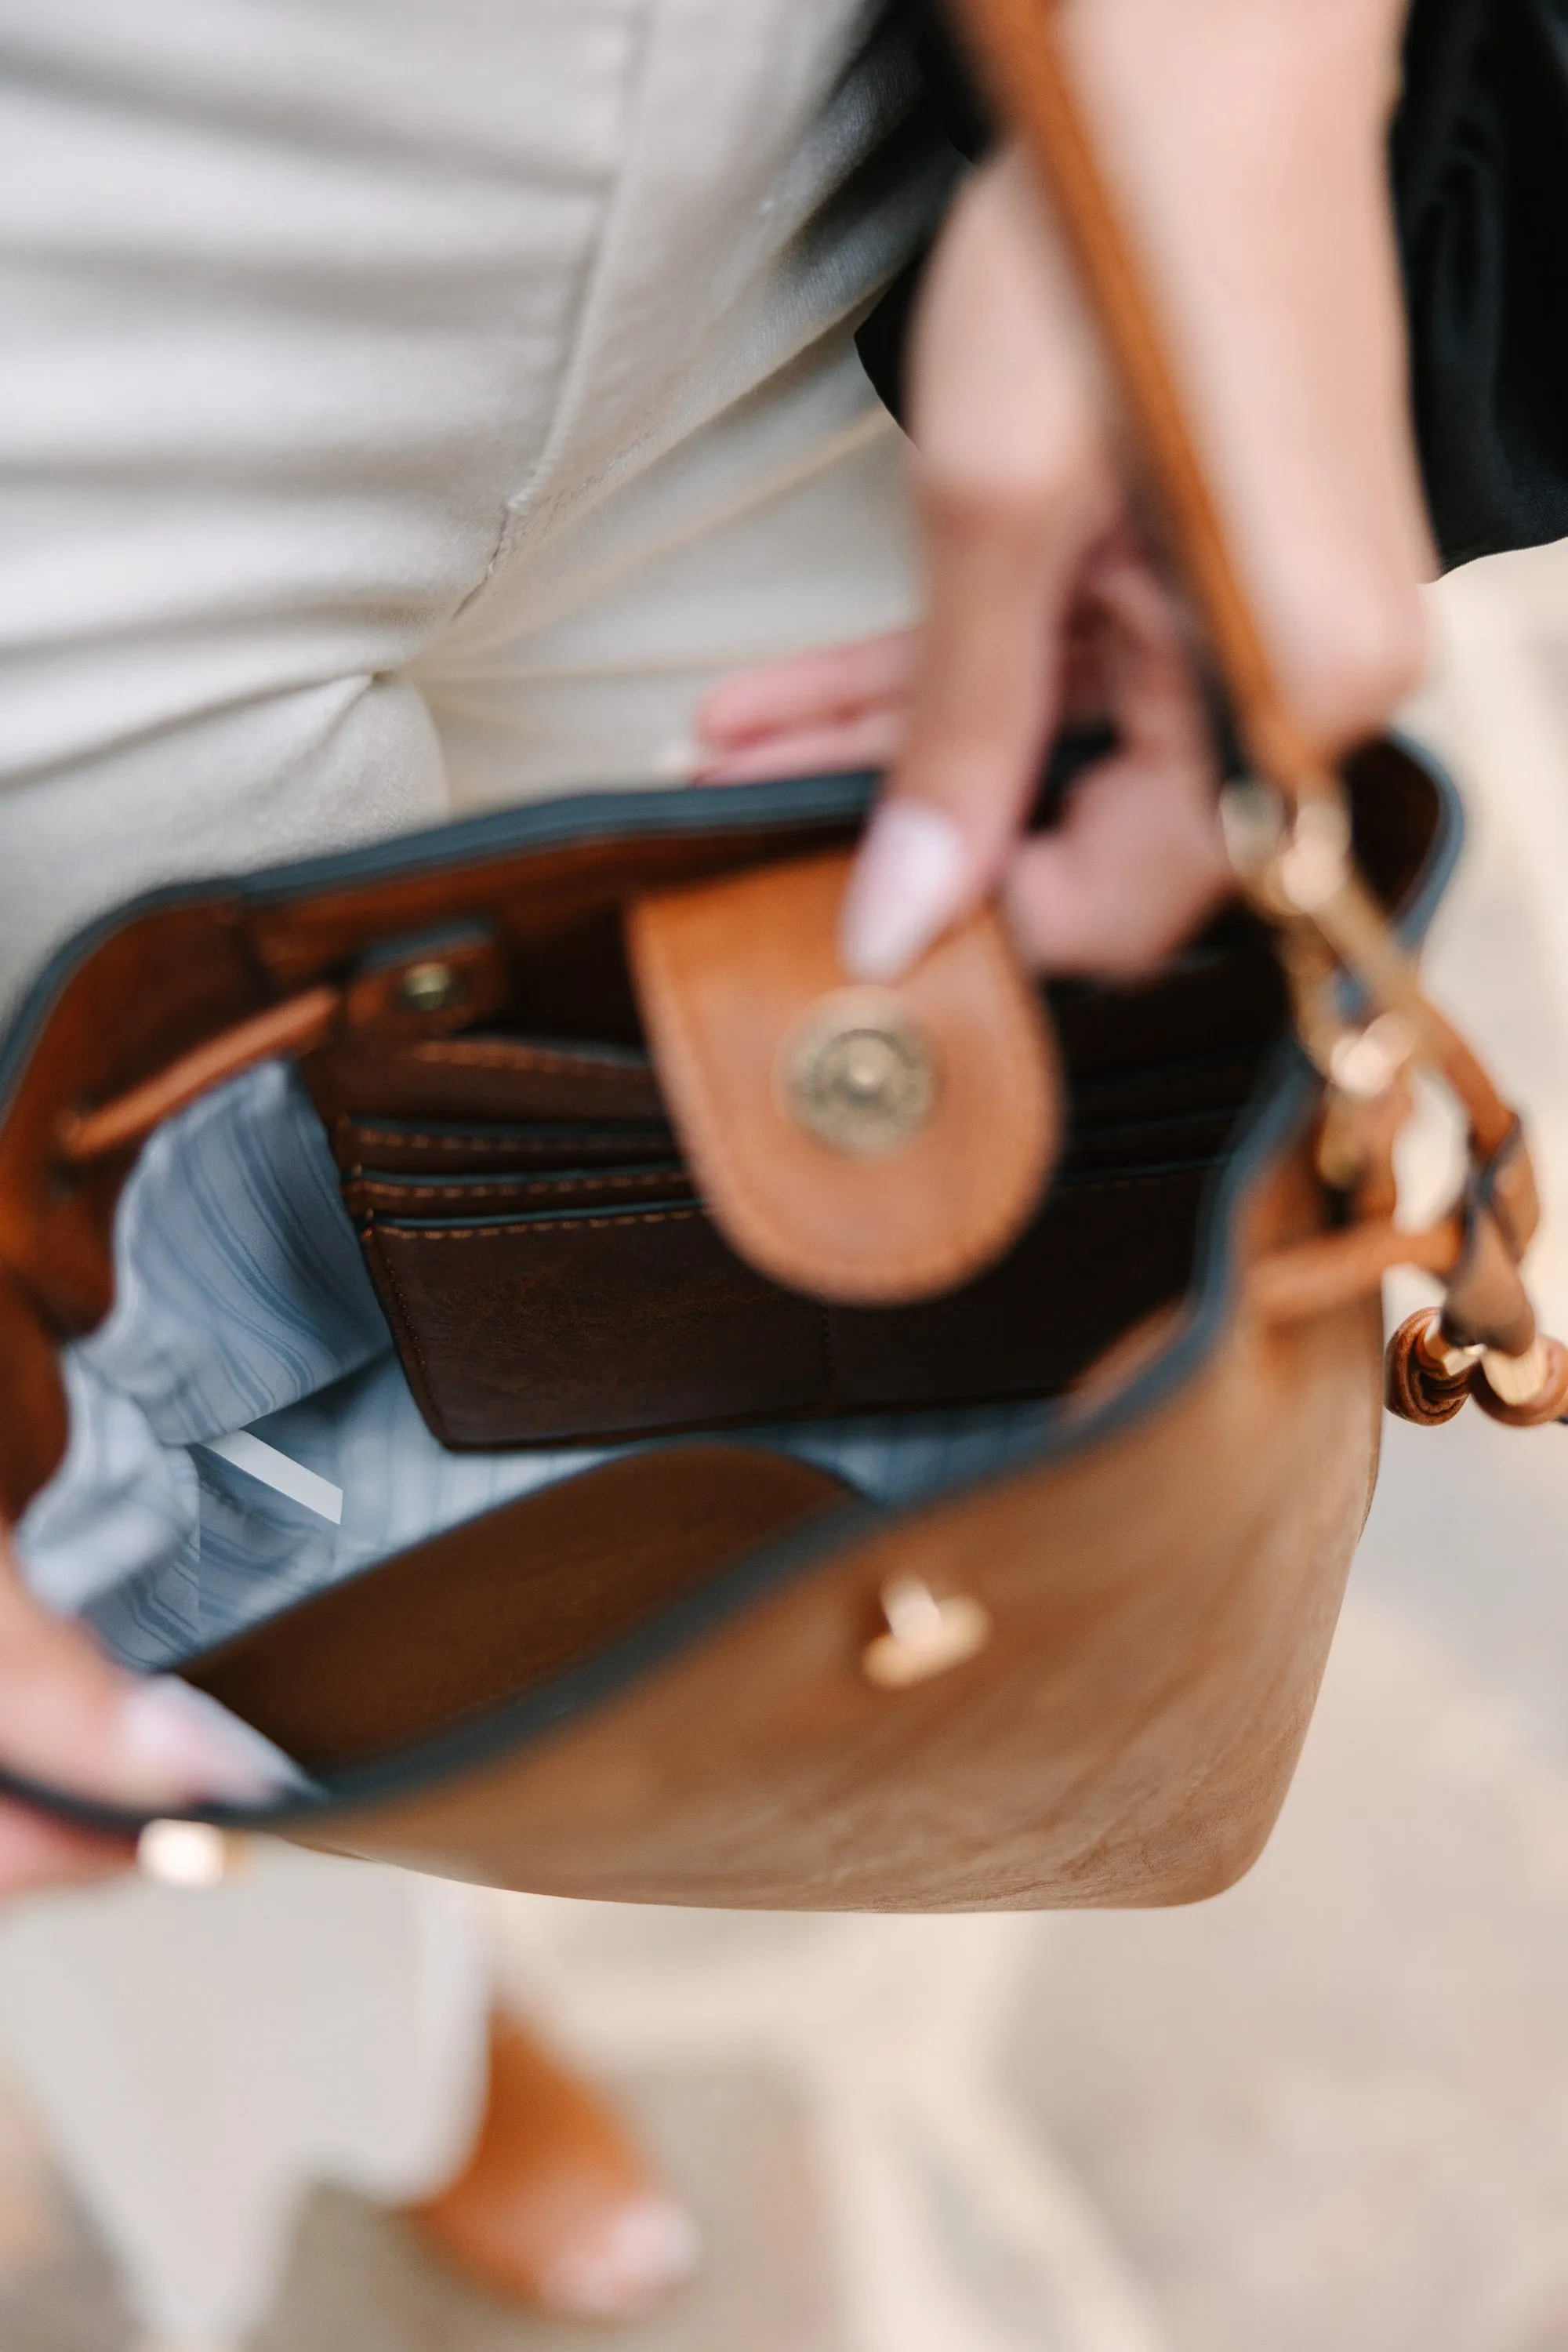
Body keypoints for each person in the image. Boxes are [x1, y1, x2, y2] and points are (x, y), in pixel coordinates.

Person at [0, 0, 1564, 2337]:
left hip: (841, 185)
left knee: (994, 1006)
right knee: (120, 1583)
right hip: (75, 321)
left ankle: (400, 1985)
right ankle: (350, 2059)